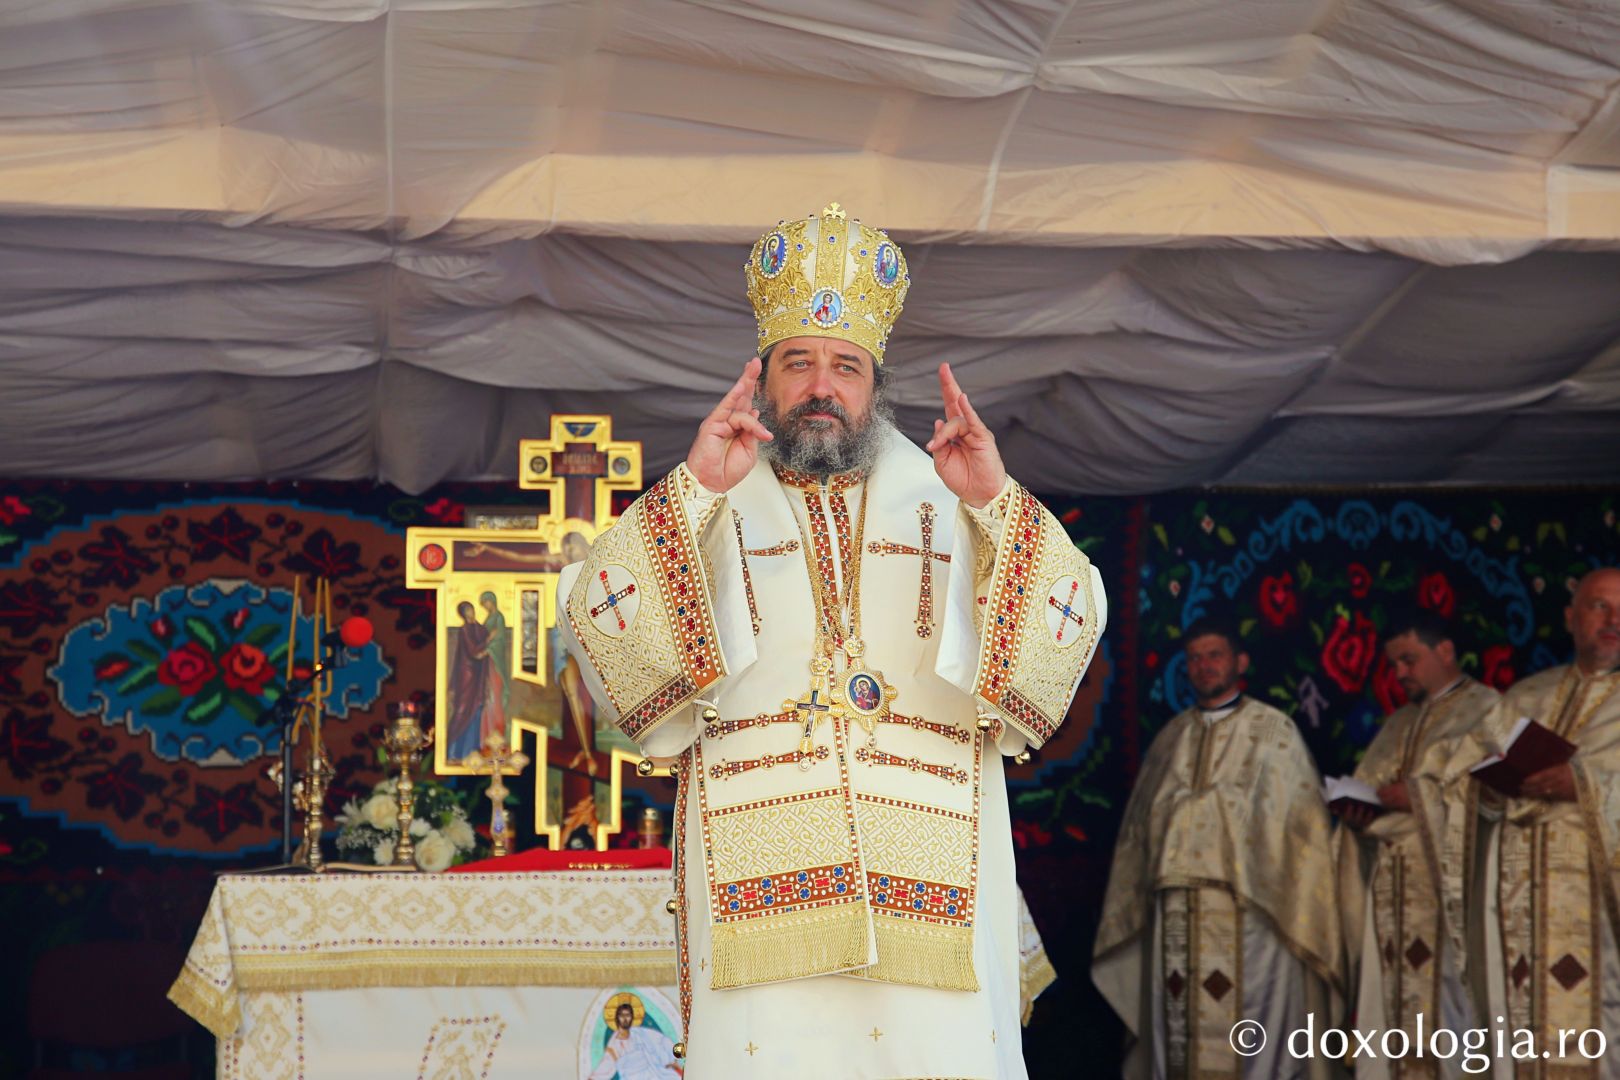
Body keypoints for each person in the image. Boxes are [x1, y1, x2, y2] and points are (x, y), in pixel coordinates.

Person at [559, 203, 1106, 1080]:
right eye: (798, 363)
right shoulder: (707, 494)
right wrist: (694, 490)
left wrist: (998, 502)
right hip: (757, 879)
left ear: (875, 381)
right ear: (764, 378)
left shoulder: (955, 490)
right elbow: (597, 615)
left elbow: (1071, 610)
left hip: (930, 877)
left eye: (844, 365)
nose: (822, 385)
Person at [1092, 617, 1343, 1079]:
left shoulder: (1275, 732)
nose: (1204, 666)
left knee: (1252, 1029)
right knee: (1176, 1029)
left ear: (1240, 661)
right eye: (1194, 658)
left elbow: (1301, 829)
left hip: (1252, 910)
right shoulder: (1169, 739)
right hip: (1175, 914)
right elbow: (1139, 830)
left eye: (1215, 655)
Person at [1465, 567, 1620, 1077]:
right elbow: (1470, 796)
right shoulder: (1523, 700)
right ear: (1571, 618)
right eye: (1599, 606)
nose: (1613, 619)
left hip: (1600, 915)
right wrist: (1486, 791)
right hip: (1520, 908)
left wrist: (1584, 786)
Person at [1332, 610, 1500, 1080]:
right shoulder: (1398, 724)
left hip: (1449, 897)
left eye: (1409, 660)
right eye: (1394, 665)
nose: (1400, 674)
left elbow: (1497, 799)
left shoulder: (1488, 711)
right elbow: (1373, 788)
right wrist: (1361, 815)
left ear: (1444, 651)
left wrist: (1420, 796)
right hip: (1389, 895)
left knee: (1452, 1019)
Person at [587, 999, 681, 1080]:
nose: (625, 1019)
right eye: (621, 1015)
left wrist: (673, 1060)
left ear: (632, 1017)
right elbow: (603, 1070)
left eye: (627, 1015)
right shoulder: (614, 1046)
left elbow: (662, 1041)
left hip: (652, 1074)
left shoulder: (641, 1033)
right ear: (617, 1018)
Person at [445, 600, 493, 759]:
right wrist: (488, 643)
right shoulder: (464, 630)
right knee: (463, 709)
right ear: (463, 615)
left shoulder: (480, 628)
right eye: (466, 612)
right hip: (467, 676)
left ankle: (471, 751)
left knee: (477, 707)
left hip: (478, 675)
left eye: (471, 610)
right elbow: (473, 651)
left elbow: (486, 647)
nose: (470, 614)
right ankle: (453, 751)